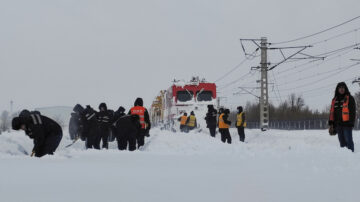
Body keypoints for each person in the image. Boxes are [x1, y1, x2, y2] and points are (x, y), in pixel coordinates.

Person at [329, 82, 356, 152]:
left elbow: (353, 112)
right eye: (340, 88)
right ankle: (344, 159)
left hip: (347, 124)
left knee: (349, 142)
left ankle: (352, 157)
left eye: (343, 88)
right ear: (337, 89)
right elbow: (332, 112)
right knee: (342, 143)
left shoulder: (350, 98)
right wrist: (331, 123)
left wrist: (351, 122)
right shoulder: (334, 100)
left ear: (345, 89)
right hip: (338, 125)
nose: (341, 89)